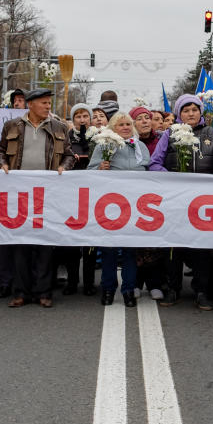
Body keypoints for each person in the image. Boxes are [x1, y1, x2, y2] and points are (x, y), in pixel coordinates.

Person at [0, 88, 71, 308]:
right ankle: (21, 292)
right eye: (44, 103)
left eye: (49, 103)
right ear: (30, 105)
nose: (48, 106)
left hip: (47, 194)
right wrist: (3, 164)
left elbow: (68, 155)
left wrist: (64, 168)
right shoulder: (12, 126)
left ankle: (44, 292)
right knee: (21, 244)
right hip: (19, 193)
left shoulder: (59, 127)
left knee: (45, 245)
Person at [149, 94, 213, 309]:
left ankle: (201, 291)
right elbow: (155, 163)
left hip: (203, 202)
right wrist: (172, 179)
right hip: (175, 201)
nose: (190, 114)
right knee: (174, 247)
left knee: (201, 248)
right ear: (179, 114)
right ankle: (173, 288)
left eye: (194, 109)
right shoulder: (169, 134)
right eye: (185, 110)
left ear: (201, 112)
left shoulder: (212, 134)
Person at [88, 111, 150, 307]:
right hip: (110, 206)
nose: (125, 127)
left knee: (130, 250)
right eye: (121, 124)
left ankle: (128, 290)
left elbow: (148, 170)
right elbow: (90, 171)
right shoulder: (104, 145)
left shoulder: (140, 146)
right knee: (109, 249)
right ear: (113, 128)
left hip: (134, 206)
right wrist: (100, 168)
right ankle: (108, 289)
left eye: (128, 124)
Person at [59, 103, 96, 297]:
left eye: (85, 116)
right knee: (71, 243)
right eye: (78, 116)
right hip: (71, 193)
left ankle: (89, 283)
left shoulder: (97, 137)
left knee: (90, 242)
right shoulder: (66, 138)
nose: (82, 120)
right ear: (73, 120)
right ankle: (72, 281)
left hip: (93, 194)